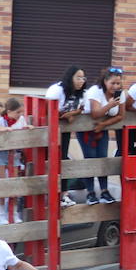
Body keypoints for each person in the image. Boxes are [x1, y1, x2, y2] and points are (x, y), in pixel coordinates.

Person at [79, 66, 124, 203]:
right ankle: (90, 193)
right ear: (105, 81)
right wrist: (110, 105)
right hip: (86, 128)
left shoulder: (120, 94)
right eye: (113, 83)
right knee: (90, 158)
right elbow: (95, 113)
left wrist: (104, 125)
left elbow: (121, 115)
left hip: (102, 128)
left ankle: (104, 191)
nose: (115, 86)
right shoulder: (95, 91)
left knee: (103, 159)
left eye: (118, 83)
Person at [46, 65, 87, 205]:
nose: (81, 81)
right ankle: (49, 193)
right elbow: (50, 111)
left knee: (63, 161)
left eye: (83, 78)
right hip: (49, 130)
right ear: (70, 77)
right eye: (78, 77)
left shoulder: (82, 93)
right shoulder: (57, 90)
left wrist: (71, 114)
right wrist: (68, 115)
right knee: (50, 160)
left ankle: (63, 194)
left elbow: (80, 110)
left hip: (65, 131)